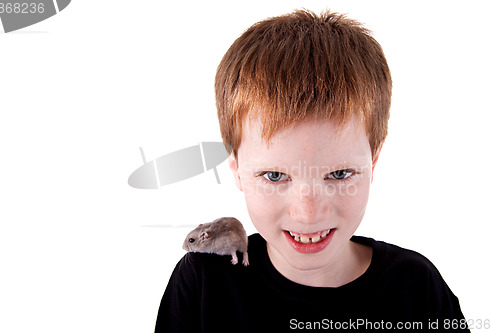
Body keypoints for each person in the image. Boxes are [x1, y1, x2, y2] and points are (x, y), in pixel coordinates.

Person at [155, 9, 469, 332]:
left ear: (372, 163)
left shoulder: (418, 290)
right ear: (237, 170)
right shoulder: (203, 283)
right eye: (275, 176)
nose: (307, 214)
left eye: (339, 174)